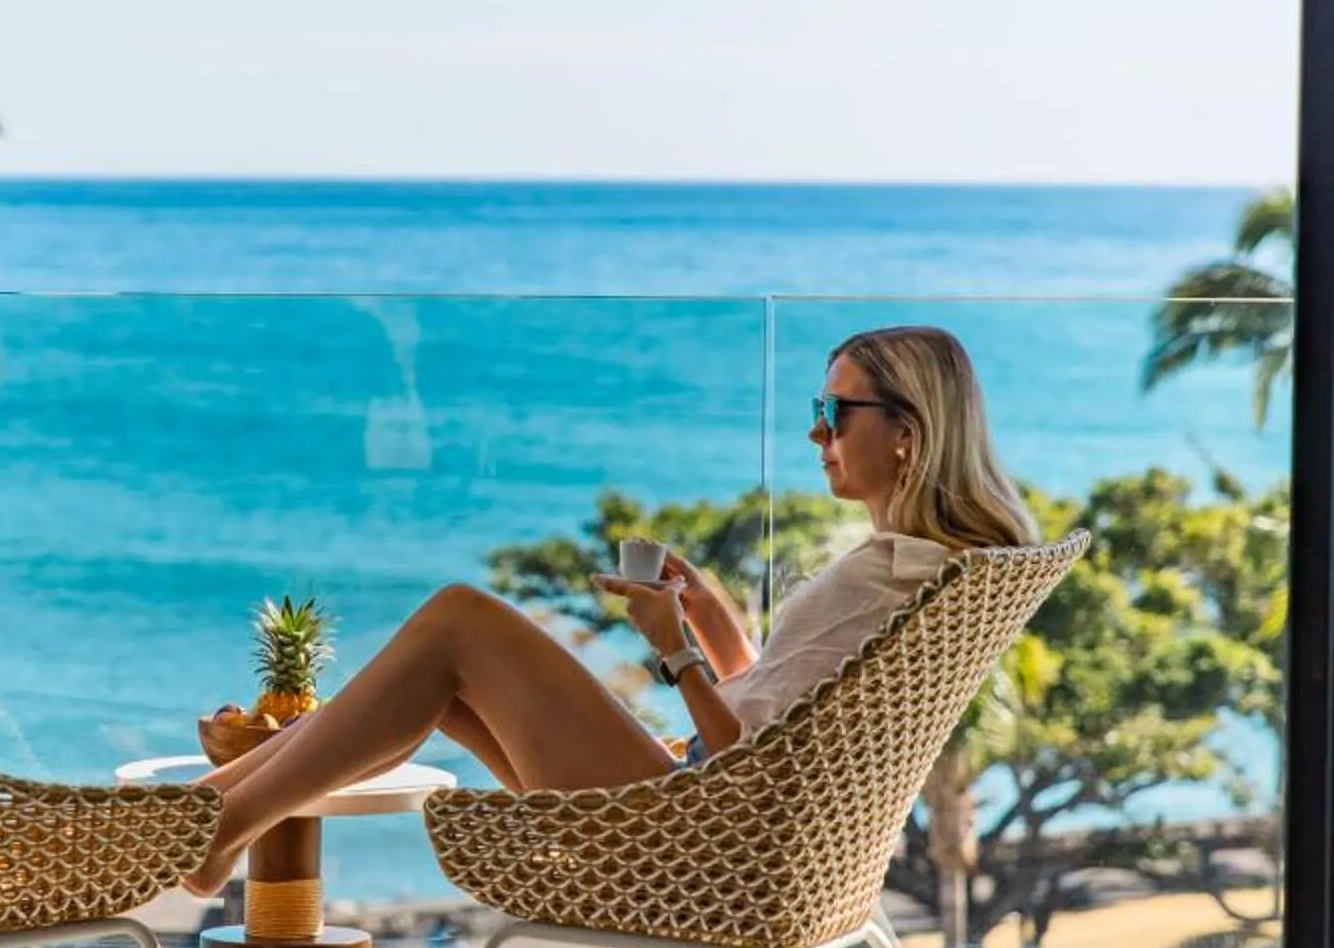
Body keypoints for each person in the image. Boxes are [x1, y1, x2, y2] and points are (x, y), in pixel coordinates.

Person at [180, 324, 1037, 898]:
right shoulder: (929, 575)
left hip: (683, 833)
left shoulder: (894, 575)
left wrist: (675, 654)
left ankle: (212, 825)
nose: (817, 434)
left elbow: (746, 763)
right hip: (712, 819)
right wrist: (709, 616)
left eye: (832, 412)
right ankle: (209, 813)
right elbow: (780, 724)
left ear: (907, 433)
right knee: (439, 683)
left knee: (458, 620)